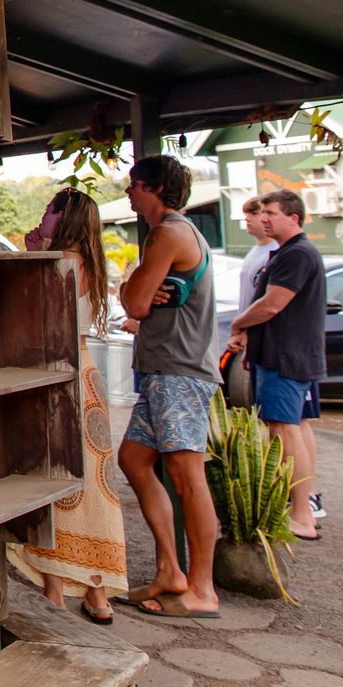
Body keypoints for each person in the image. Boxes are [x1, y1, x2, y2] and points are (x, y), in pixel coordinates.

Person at [8, 189, 128, 623]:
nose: (41, 218)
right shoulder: (92, 264)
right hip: (88, 375)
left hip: (58, 375)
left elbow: (32, 318)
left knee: (56, 478)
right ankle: (99, 593)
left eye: (47, 211)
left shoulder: (56, 263)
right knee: (96, 486)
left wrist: (32, 255)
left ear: (62, 218)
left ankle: (55, 588)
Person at [115, 154, 222, 619]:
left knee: (186, 475)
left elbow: (136, 303)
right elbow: (140, 296)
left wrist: (129, 287)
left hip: (180, 372)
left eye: (134, 185)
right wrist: (133, 287)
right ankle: (169, 570)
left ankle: (202, 589)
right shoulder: (180, 234)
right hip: (165, 372)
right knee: (134, 459)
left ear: (154, 188)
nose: (129, 193)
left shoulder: (168, 234)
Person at [225, 188, 325, 540]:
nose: (263, 217)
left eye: (271, 213)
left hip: (286, 356)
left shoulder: (296, 254)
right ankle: (305, 506)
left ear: (293, 218)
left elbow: (272, 304)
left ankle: (302, 515)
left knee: (284, 429)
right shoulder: (288, 253)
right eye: (262, 212)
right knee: (294, 425)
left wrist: (239, 324)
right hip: (286, 353)